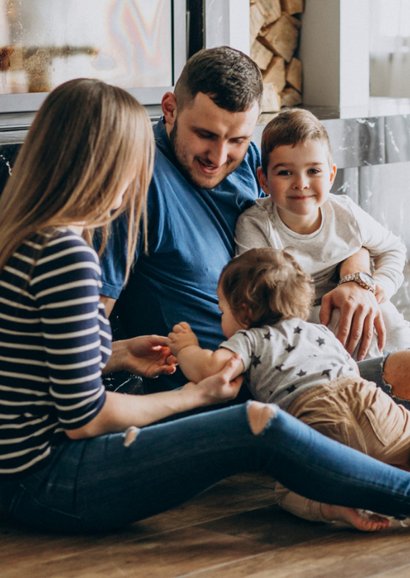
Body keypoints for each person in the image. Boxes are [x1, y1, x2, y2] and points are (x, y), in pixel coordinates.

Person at [3, 79, 410, 534]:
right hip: (47, 479)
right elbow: (84, 419)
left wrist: (117, 353)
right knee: (257, 424)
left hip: (32, 471)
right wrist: (193, 395)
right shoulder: (65, 254)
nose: (143, 174)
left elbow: (32, 364)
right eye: (138, 159)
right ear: (105, 161)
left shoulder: (31, 235)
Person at [98, 46, 387, 393]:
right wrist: (120, 354)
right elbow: (85, 328)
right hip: (237, 392)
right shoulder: (135, 181)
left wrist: (356, 280)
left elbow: (326, 226)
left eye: (236, 139)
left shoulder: (252, 162)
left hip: (304, 363)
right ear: (171, 110)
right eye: (205, 135)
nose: (218, 157)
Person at [168, 247, 410, 529]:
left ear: (244, 312)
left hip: (316, 417)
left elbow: (212, 369)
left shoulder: (250, 338)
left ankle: (333, 504)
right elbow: (353, 370)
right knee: (403, 440)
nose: (221, 317)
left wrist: (187, 348)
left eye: (222, 310)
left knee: (287, 490)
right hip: (368, 400)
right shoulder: (319, 331)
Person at [235, 108, 410, 359]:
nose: (301, 183)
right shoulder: (255, 225)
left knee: (385, 317)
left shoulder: (345, 213)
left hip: (353, 310)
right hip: (297, 325)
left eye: (313, 171)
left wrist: (377, 288)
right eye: (285, 172)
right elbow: (255, 295)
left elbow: (393, 248)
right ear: (263, 180)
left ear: (330, 175)